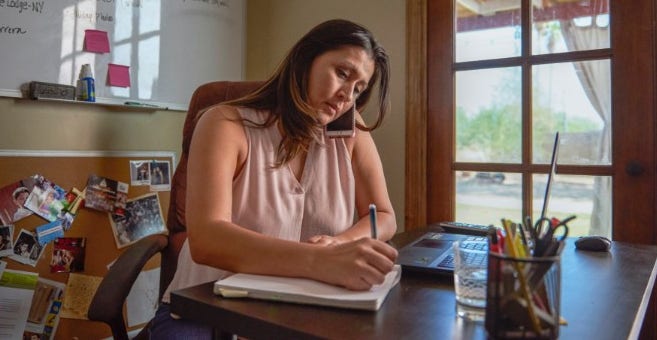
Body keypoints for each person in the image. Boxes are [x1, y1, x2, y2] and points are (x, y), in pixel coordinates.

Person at [150, 19, 398, 338]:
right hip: (204, 308)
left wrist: (339, 245)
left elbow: (385, 216)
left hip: (299, 308)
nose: (345, 97)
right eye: (342, 73)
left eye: (358, 88)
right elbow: (207, 240)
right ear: (304, 60)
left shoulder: (349, 133)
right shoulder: (224, 123)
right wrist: (321, 260)